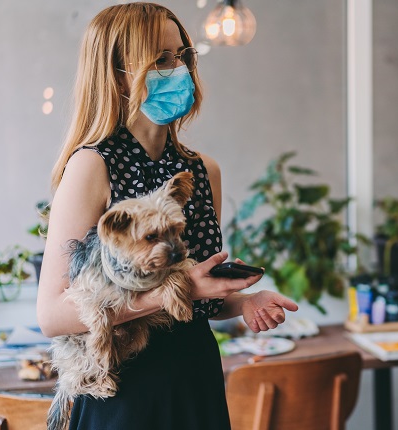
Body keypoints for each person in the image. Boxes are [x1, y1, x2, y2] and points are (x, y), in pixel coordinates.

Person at [36, 3, 299, 429]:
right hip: (123, 387)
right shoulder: (92, 166)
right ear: (119, 74)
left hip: (194, 375)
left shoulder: (201, 170)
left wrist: (243, 302)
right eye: (161, 58)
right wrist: (167, 294)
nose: (179, 69)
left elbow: (199, 299)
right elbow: (52, 315)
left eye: (183, 56)